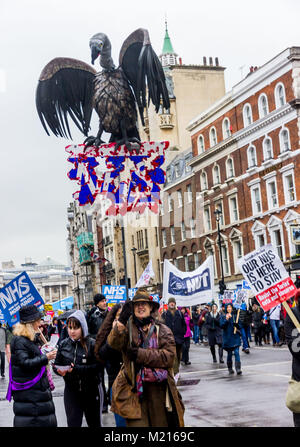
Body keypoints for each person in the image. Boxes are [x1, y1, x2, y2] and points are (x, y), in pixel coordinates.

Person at [107, 291, 185, 427]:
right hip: (134, 391)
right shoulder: (127, 329)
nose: (140, 307)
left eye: (144, 304)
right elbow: (113, 344)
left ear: (151, 308)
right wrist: (120, 323)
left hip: (159, 392)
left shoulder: (163, 330)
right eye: (137, 305)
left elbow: (168, 357)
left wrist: (139, 354)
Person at [8, 304, 57, 427]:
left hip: (36, 395)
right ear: (31, 323)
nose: (40, 323)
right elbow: (25, 363)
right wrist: (45, 357)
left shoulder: (29, 339)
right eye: (37, 321)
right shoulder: (20, 340)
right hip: (31, 396)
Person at [53, 310, 103, 427]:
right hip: (71, 392)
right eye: (69, 328)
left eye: (75, 328)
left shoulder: (92, 344)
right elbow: (56, 364)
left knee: (94, 423)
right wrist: (59, 371)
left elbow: (98, 367)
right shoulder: (64, 344)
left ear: (83, 327)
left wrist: (76, 369)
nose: (72, 331)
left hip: (91, 391)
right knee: (73, 423)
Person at [94, 303, 126, 427]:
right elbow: (102, 354)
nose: (120, 320)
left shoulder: (133, 332)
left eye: (123, 316)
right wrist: (114, 335)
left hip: (135, 384)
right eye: (118, 316)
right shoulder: (109, 334)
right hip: (116, 384)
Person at [161, 297, 187, 378]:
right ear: (168, 304)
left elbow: (184, 325)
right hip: (168, 339)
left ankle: (176, 369)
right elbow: (161, 326)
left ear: (175, 304)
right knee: (173, 355)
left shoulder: (179, 313)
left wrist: (182, 333)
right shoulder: (164, 314)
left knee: (179, 355)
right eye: (170, 302)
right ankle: (175, 372)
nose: (172, 304)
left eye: (173, 302)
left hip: (179, 338)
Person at [219, 303, 242, 375]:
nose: (229, 308)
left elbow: (240, 326)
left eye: (230, 307)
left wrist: (237, 325)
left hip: (235, 337)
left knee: (236, 352)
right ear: (226, 308)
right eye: (228, 307)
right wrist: (226, 319)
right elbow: (221, 326)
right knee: (229, 354)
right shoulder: (223, 316)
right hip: (228, 338)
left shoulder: (235, 316)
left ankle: (238, 368)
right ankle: (230, 368)